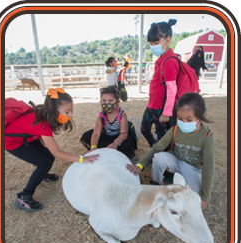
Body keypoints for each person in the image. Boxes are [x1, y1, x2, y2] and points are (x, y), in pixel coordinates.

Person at [5, 88, 99, 212]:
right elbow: (57, 152)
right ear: (54, 110)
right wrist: (82, 159)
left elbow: (50, 147)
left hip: (27, 137)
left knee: (49, 155)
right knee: (44, 163)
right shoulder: (43, 125)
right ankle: (24, 196)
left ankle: (42, 175)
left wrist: (40, 138)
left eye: (71, 110)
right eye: (67, 111)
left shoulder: (43, 112)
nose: (70, 114)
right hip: (11, 142)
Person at [126, 93, 215, 211]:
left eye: (189, 119)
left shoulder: (207, 136)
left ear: (201, 116)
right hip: (176, 161)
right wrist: (140, 165)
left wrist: (205, 198)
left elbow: (209, 167)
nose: (183, 123)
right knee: (159, 157)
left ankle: (178, 183)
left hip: (193, 168)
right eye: (179, 118)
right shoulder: (175, 130)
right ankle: (156, 185)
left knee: (191, 196)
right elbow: (156, 148)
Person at [140, 19, 179, 147]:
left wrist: (166, 113)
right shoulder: (162, 59)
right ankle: (154, 147)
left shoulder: (169, 61)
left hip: (161, 108)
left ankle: (161, 157)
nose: (153, 46)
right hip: (152, 105)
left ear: (168, 40)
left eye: (156, 42)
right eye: (151, 43)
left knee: (163, 137)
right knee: (144, 129)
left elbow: (172, 89)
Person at [80, 86, 137, 158]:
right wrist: (93, 147)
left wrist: (116, 142)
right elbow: (96, 133)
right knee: (87, 136)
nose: (107, 104)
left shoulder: (122, 115)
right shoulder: (101, 116)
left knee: (127, 144)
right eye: (104, 101)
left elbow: (124, 133)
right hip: (106, 137)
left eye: (110, 101)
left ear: (117, 102)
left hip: (118, 138)